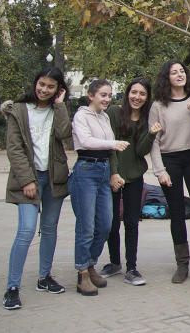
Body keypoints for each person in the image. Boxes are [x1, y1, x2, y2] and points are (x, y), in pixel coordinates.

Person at [2, 68, 72, 310]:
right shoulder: (18, 110)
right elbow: (14, 148)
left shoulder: (57, 110)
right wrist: (27, 181)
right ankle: (12, 287)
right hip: (28, 180)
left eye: (51, 87)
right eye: (41, 84)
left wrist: (61, 105)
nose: (44, 90)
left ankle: (44, 277)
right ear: (35, 83)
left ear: (58, 90)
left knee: (49, 229)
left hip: (54, 178)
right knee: (26, 230)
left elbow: (66, 135)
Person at [149, 61, 190, 283]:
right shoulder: (158, 105)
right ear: (167, 77)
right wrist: (160, 171)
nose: (179, 75)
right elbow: (153, 141)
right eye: (174, 72)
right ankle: (182, 264)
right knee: (176, 212)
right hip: (171, 159)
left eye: (182, 71)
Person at [70, 79, 130, 296]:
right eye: (103, 95)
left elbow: (107, 144)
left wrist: (114, 171)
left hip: (103, 170)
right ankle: (82, 272)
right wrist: (113, 144)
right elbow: (86, 141)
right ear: (91, 95)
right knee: (86, 227)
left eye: (109, 95)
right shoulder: (81, 116)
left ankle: (90, 263)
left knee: (105, 224)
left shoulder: (104, 117)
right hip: (86, 170)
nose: (107, 99)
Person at [100, 78, 159, 286]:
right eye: (134, 92)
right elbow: (110, 146)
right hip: (113, 177)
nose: (137, 97)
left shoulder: (146, 119)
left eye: (142, 94)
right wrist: (113, 173)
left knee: (132, 223)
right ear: (127, 93)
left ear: (147, 97)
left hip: (134, 177)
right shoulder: (114, 113)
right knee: (111, 222)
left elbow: (141, 151)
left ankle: (131, 267)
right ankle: (114, 262)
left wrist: (151, 134)